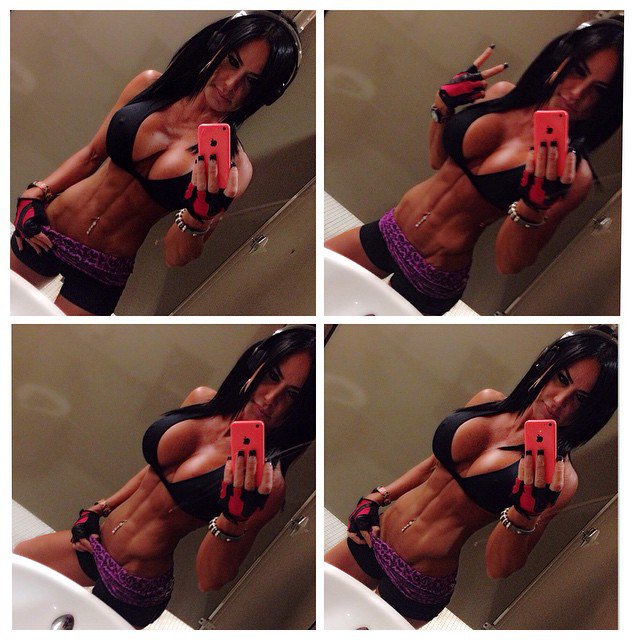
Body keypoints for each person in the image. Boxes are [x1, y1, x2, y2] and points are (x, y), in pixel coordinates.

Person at [14, 326, 316, 628]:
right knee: (19, 564)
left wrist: (234, 517)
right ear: (256, 363)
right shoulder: (203, 400)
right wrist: (101, 507)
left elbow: (210, 580)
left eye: (292, 395)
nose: (271, 398)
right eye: (272, 376)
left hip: (135, 584)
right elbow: (156, 471)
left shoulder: (265, 480)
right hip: (98, 543)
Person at [11, 11, 302, 315]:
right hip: (49, 228)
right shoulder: (149, 85)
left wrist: (199, 216)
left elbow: (175, 257)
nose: (231, 84)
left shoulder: (233, 167)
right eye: (232, 60)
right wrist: (35, 193)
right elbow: (92, 156)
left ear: (265, 94)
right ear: (216, 45)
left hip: (102, 270)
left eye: (251, 81)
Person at [325, 18, 623, 315]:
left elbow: (508, 263)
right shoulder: (503, 94)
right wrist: (442, 106)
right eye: (578, 71)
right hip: (392, 228)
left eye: (599, 90)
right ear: (562, 59)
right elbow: (438, 161)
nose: (577, 93)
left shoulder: (573, 173)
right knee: (319, 291)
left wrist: (534, 204)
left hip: (433, 272)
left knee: (350, 330)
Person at [325, 326, 617, 626]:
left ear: (593, 412)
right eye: (562, 379)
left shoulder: (560, 478)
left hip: (418, 580)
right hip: (376, 535)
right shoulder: (487, 400)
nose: (559, 401)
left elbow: (498, 568)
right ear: (548, 365)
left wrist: (525, 513)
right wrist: (377, 497)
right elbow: (433, 465)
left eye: (580, 399)